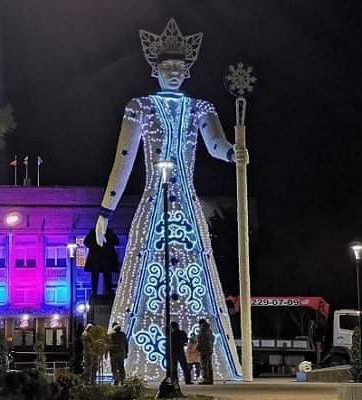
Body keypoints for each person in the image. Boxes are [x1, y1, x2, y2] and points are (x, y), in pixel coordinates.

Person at [93, 17, 248, 380]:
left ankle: (204, 368)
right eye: (167, 67)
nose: (174, 72)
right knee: (142, 278)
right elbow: (124, 160)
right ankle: (140, 365)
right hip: (153, 200)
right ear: (155, 70)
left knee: (199, 283)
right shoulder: (140, 107)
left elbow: (215, 145)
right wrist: (105, 210)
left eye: (181, 67)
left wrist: (233, 153)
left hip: (188, 206)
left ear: (189, 70)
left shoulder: (201, 108)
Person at [197, 319, 214, 384]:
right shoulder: (210, 330)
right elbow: (213, 339)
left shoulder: (203, 330)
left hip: (204, 350)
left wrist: (198, 348)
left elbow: (200, 340)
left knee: (204, 365)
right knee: (209, 364)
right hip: (209, 349)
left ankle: (206, 379)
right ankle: (210, 379)